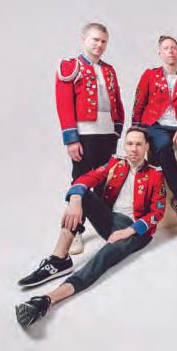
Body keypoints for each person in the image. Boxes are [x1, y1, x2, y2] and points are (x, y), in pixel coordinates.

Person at [15, 127, 166, 326]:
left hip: (135, 230)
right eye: (130, 144)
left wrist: (127, 232)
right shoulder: (115, 163)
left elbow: (157, 213)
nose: (134, 149)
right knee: (81, 193)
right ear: (124, 145)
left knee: (102, 258)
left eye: (139, 144)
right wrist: (75, 199)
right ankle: (59, 259)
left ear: (146, 147)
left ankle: (46, 300)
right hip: (110, 220)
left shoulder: (155, 174)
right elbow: (86, 179)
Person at [55, 22, 125, 254]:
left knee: (104, 182)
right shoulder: (70, 66)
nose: (99, 45)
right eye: (95, 39)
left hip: (107, 134)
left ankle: (105, 226)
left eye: (103, 41)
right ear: (84, 40)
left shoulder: (109, 70)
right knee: (80, 183)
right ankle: (74, 231)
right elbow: (64, 105)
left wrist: (117, 130)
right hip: (84, 135)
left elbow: (116, 101)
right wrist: (71, 139)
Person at [132, 35, 177, 223]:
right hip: (156, 125)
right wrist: (136, 130)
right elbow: (139, 103)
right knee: (163, 146)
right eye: (166, 48)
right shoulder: (149, 75)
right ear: (160, 53)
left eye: (173, 48)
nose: (170, 51)